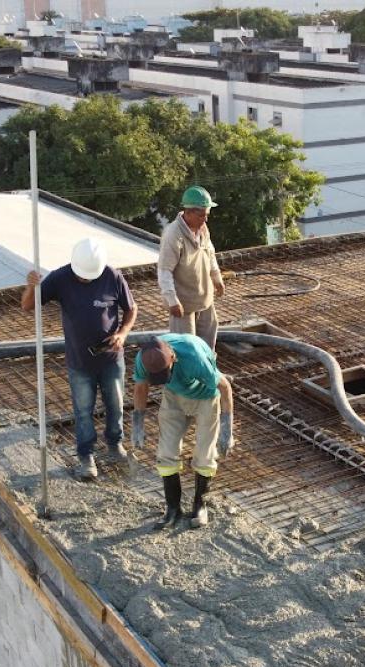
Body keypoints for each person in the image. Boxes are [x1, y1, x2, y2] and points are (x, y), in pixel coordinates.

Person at [21, 237, 136, 481]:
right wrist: (31, 287)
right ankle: (86, 456)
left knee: (115, 404)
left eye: (90, 276)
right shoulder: (61, 278)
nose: (86, 279)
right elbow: (28, 306)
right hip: (80, 361)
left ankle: (115, 444)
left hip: (111, 358)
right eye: (83, 275)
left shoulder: (112, 276)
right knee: (83, 410)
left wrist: (123, 333)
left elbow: (131, 308)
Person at [130, 333, 234, 530]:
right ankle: (173, 508)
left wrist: (227, 429)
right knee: (166, 452)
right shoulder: (144, 359)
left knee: (205, 453)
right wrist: (137, 425)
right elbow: (141, 388)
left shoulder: (194, 357)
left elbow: (225, 387)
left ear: (173, 359)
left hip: (205, 396)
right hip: (174, 395)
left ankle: (200, 506)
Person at [157, 185, 225, 349]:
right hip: (183, 304)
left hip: (204, 298)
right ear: (188, 212)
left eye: (207, 215)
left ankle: (209, 374)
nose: (205, 219)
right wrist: (172, 300)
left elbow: (210, 253)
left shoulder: (203, 229)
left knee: (207, 345)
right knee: (187, 348)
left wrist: (216, 277)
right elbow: (164, 270)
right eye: (201, 215)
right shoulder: (173, 235)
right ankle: (190, 376)